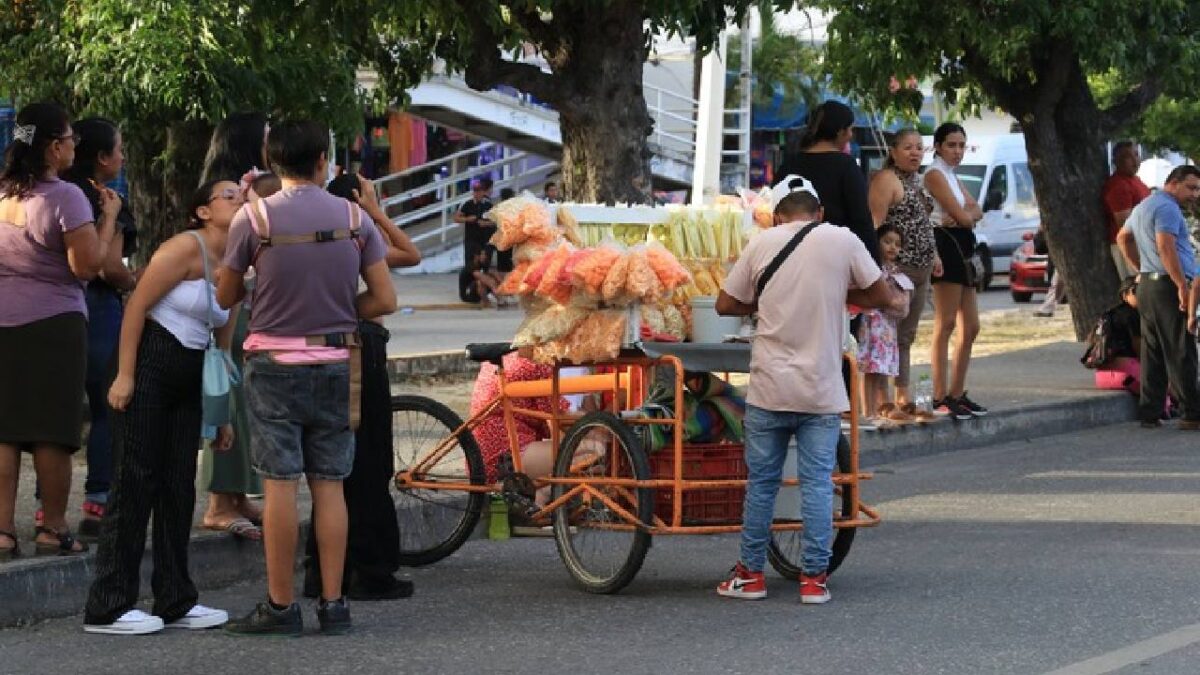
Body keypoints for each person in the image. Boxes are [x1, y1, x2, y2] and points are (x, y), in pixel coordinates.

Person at [218, 119, 396, 636]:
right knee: (330, 484)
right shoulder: (354, 218)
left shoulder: (253, 218)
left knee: (279, 485)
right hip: (337, 361)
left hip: (273, 365)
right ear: (322, 161)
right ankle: (334, 605)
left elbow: (226, 296)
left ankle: (281, 606)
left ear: (272, 162)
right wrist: (341, 312)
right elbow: (385, 299)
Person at [713, 176, 901, 604]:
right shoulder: (843, 239)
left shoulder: (761, 244)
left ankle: (750, 576)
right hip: (821, 388)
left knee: (762, 484)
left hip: (769, 388)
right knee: (817, 484)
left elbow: (725, 304)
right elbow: (881, 295)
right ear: (820, 212)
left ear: (777, 216)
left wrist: (764, 301)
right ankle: (814, 579)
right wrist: (835, 291)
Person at [83, 180, 241, 636]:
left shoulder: (238, 261)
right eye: (228, 195)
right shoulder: (183, 248)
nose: (240, 199)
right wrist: (125, 375)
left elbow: (223, 343)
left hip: (191, 372)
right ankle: (108, 605)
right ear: (203, 211)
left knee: (178, 485)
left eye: (242, 194)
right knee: (135, 478)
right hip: (151, 359)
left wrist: (221, 413)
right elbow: (136, 308)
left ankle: (175, 597)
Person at [0, 102, 115, 561]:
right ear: (53, 147)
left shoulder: (3, 193)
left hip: (3, 319)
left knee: (5, 431)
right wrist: (108, 221)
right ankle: (53, 528)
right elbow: (86, 266)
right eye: (70, 139)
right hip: (53, 325)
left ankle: (3, 532)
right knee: (52, 432)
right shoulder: (65, 197)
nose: (74, 147)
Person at [301, 172, 421, 602]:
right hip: (360, 345)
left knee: (331, 464)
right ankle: (371, 570)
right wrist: (373, 211)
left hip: (320, 347)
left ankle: (320, 571)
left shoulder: (312, 233)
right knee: (370, 460)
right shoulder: (356, 233)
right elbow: (410, 254)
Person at [58, 117, 138, 541]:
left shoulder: (49, 193)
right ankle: (98, 503)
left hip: (53, 308)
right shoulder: (106, 200)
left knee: (55, 411)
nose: (122, 157)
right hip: (98, 308)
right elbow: (108, 267)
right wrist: (134, 280)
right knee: (108, 406)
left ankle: (47, 510)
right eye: (119, 149)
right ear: (103, 157)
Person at [198, 113, 270, 539]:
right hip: (231, 305)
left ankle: (238, 494)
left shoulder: (244, 187)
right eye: (266, 136)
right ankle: (219, 502)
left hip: (248, 305)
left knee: (246, 405)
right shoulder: (231, 191)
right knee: (229, 401)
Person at [1116, 164, 1200, 429]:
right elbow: (1165, 244)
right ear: (1173, 183)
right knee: (1181, 349)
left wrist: (1140, 269)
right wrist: (1181, 285)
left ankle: (1150, 412)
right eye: (1191, 188)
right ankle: (1192, 414)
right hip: (1168, 285)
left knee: (1153, 351)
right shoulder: (1167, 208)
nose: (1195, 194)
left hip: (1149, 285)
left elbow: (1123, 238)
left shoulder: (1144, 205)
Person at [867, 128, 937, 410]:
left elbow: (924, 222)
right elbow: (875, 223)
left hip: (922, 268)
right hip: (897, 270)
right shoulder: (887, 179)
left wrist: (936, 256)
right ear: (893, 152)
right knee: (886, 335)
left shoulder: (917, 181)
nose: (915, 152)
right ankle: (882, 401)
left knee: (906, 336)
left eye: (919, 147)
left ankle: (902, 395)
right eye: (908, 147)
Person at [925, 122, 987, 421]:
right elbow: (964, 216)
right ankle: (940, 395)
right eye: (951, 145)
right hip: (946, 244)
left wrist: (966, 216)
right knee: (946, 322)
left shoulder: (952, 174)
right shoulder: (935, 174)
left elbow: (975, 210)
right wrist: (965, 216)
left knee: (971, 326)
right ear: (938, 146)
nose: (957, 151)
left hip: (963, 245)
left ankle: (957, 392)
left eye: (962, 145)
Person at [775, 100, 879, 261]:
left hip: (789, 255)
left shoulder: (790, 164)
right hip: (833, 257)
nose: (851, 135)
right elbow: (861, 220)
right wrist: (873, 264)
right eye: (850, 129)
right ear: (840, 131)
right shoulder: (846, 166)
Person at [856, 224, 915, 425]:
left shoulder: (895, 271)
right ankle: (868, 412)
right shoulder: (872, 268)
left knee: (878, 369)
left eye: (897, 244)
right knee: (870, 369)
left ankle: (874, 411)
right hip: (872, 322)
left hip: (887, 326)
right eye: (887, 242)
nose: (892, 247)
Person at [1104, 141, 1151, 281]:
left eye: (1136, 155)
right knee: (1137, 285)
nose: (1134, 160)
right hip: (1130, 245)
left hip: (1143, 243)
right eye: (1127, 156)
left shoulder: (1137, 181)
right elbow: (1125, 224)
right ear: (1116, 161)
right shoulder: (1119, 186)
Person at [1092, 277, 1144, 397]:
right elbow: (1139, 347)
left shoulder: (1108, 314)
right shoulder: (1132, 315)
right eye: (1136, 290)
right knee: (1161, 384)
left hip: (1102, 377)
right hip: (1128, 374)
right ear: (1124, 295)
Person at [453, 177, 494, 265]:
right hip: (470, 239)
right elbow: (456, 218)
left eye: (479, 191)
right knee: (470, 265)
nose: (477, 194)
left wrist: (486, 223)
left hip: (483, 240)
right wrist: (467, 219)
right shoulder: (467, 204)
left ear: (483, 192)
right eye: (475, 191)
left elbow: (494, 222)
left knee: (483, 265)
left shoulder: (488, 204)